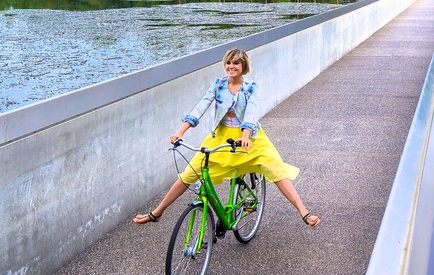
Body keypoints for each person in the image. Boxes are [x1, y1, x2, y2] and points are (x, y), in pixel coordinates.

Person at [134, 48, 320, 228]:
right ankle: (157, 213)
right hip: (221, 136)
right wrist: (180, 132)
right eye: (228, 63)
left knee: (275, 169)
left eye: (236, 63)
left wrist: (245, 135)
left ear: (243, 65)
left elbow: (251, 113)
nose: (231, 66)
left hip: (249, 137)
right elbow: (200, 107)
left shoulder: (251, 87)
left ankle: (303, 212)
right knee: (189, 173)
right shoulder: (218, 85)